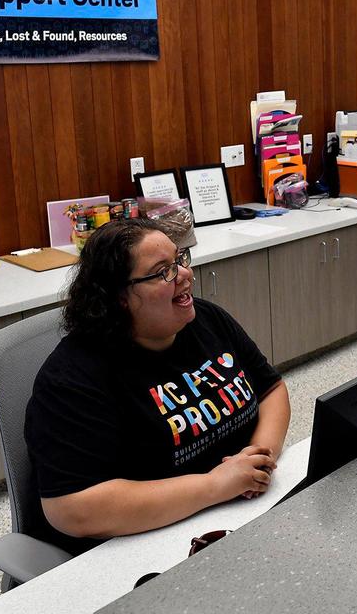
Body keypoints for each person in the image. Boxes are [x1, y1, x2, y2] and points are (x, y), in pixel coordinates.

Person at [25, 218, 290, 554]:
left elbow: (271, 389)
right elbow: (72, 509)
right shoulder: (72, 380)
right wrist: (213, 486)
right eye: (163, 270)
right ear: (119, 297)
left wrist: (259, 460)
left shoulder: (205, 319)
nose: (185, 275)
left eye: (180, 260)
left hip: (232, 513)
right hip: (137, 544)